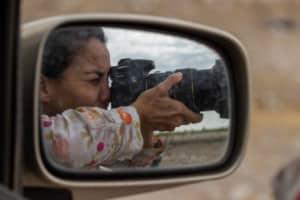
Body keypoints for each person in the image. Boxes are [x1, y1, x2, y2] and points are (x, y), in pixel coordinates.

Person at [40, 26, 202, 169]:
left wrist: (145, 129)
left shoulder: (95, 151)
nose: (107, 94)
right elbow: (62, 140)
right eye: (94, 79)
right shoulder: (27, 135)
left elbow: (124, 173)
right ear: (43, 87)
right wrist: (138, 115)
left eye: (107, 80)